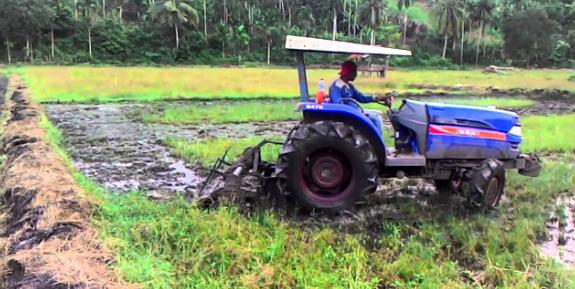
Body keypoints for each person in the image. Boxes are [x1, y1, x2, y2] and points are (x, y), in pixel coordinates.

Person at [329, 60, 392, 133]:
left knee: (378, 113)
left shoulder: (349, 86)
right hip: (351, 115)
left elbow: (361, 97)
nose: (356, 75)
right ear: (349, 73)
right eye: (355, 72)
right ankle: (377, 143)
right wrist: (356, 113)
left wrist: (377, 98)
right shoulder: (336, 87)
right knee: (375, 119)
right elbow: (338, 106)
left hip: (356, 111)